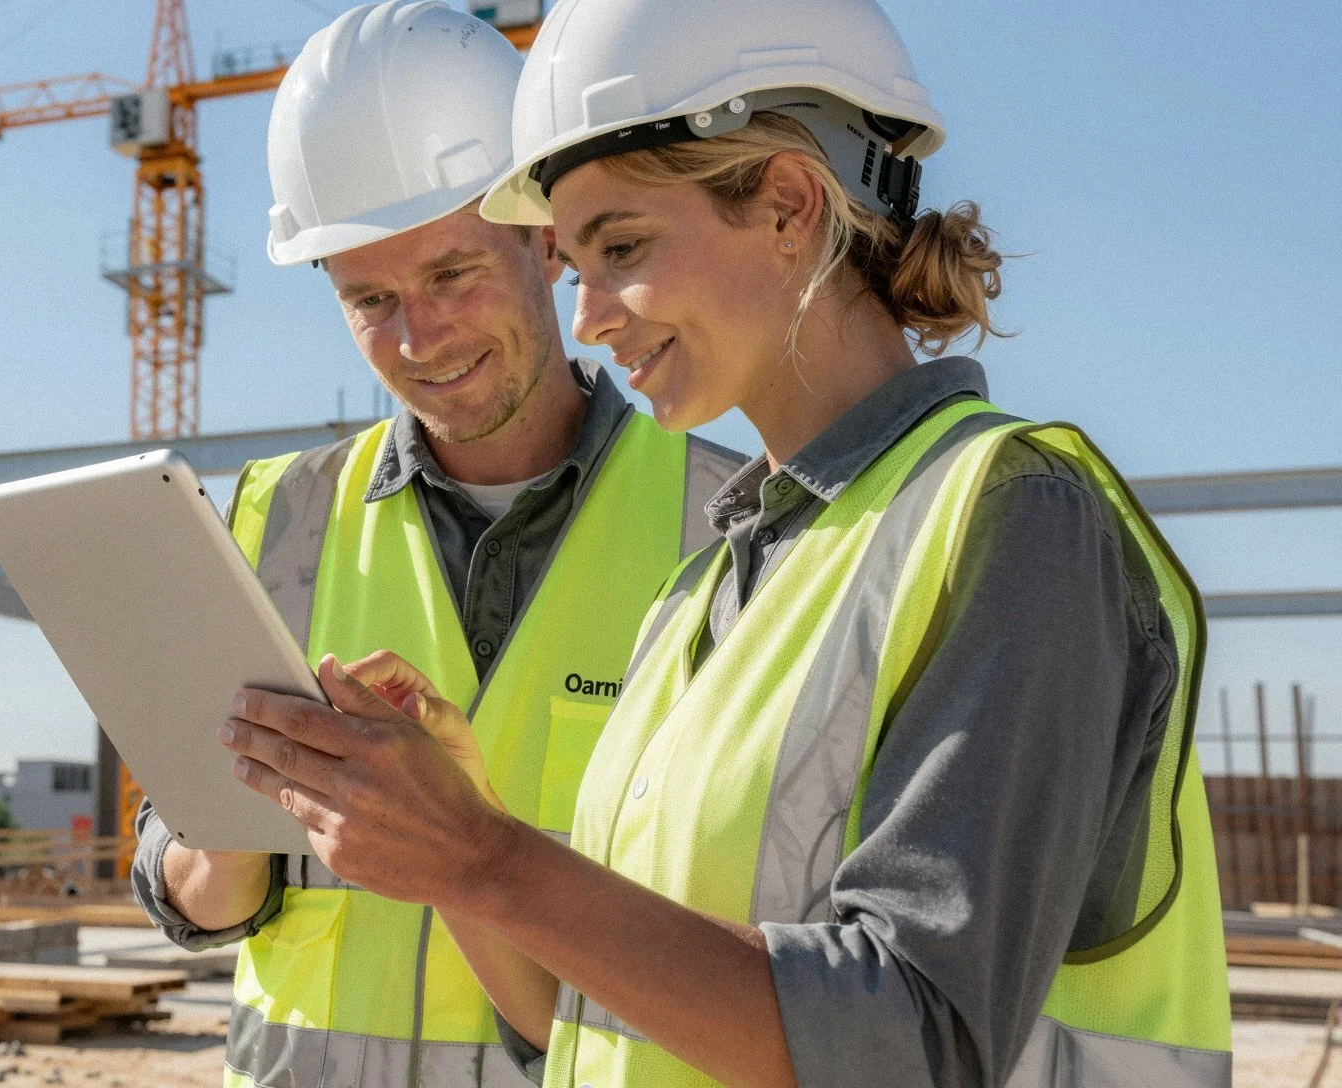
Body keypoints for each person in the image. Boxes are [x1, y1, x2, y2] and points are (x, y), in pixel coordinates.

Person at [214, 0, 1233, 1086]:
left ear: (791, 203)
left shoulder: (1012, 515)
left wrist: (485, 855)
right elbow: (596, 1022)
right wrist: (461, 847)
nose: (591, 315)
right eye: (575, 263)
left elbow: (916, 1041)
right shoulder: (709, 588)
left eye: (621, 248)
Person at [129, 4, 744, 1087]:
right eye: (371, 299)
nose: (421, 338)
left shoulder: (730, 526)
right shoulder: (280, 514)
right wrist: (219, 845)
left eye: (454, 275)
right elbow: (188, 886)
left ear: (545, 238)